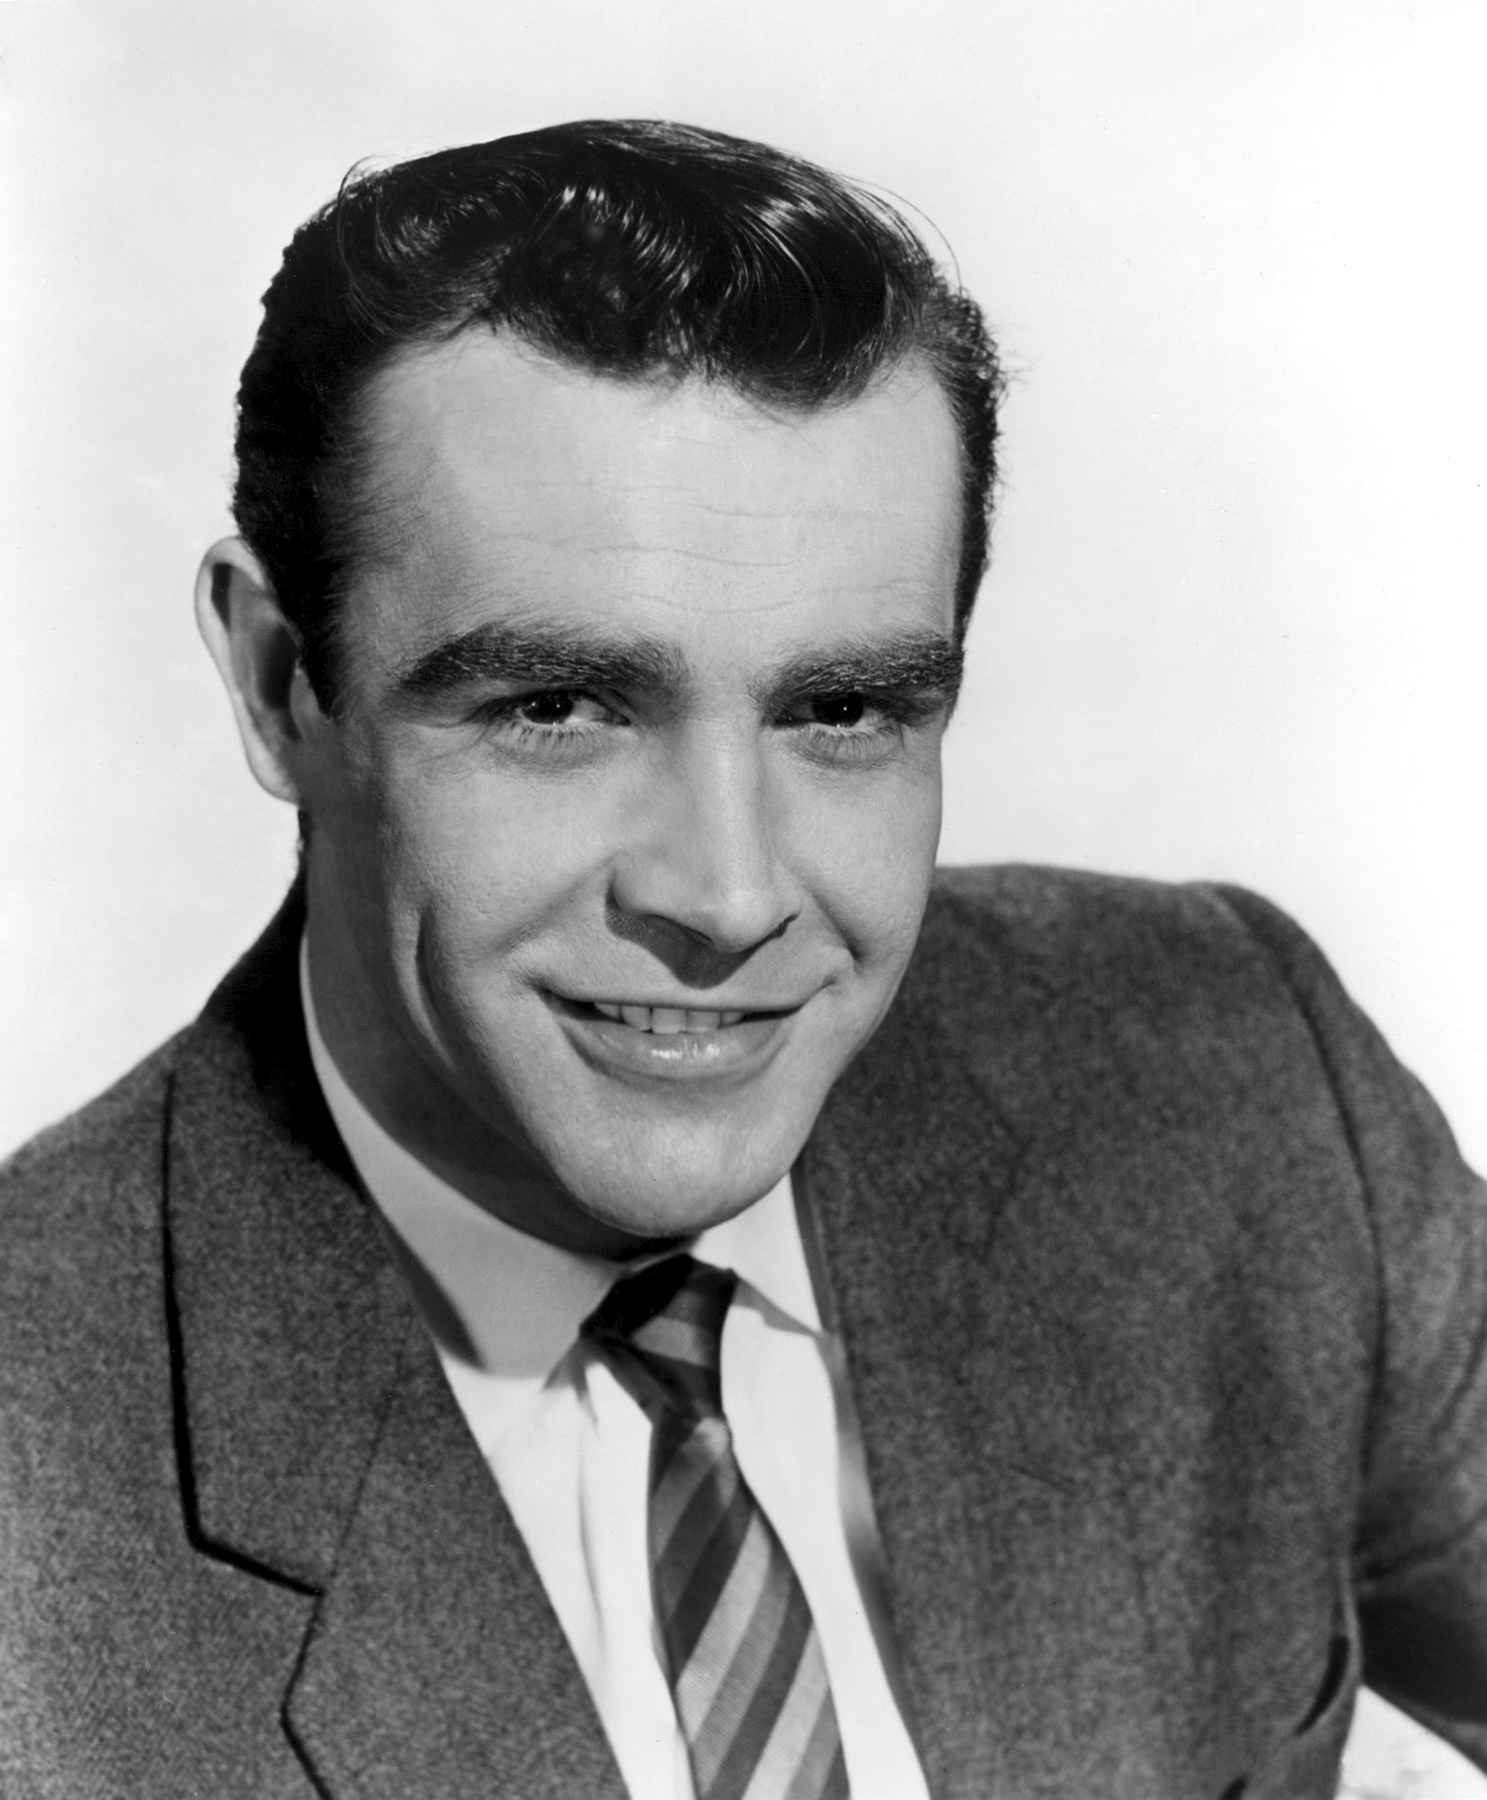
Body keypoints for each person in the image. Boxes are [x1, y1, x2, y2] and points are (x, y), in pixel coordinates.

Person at [1, 118, 1483, 1800]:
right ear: (281, 684)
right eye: (557, 707)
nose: (727, 896)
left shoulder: (1233, 1084)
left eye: (841, 709)